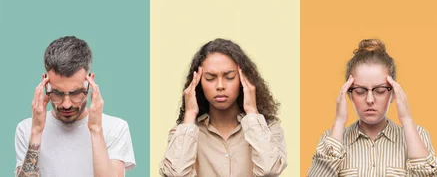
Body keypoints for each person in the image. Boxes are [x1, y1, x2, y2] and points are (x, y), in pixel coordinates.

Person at [307, 39, 437, 177]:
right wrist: (339, 121)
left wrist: (407, 120)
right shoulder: (331, 139)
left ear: (393, 93)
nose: (370, 100)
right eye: (360, 91)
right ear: (349, 93)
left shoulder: (418, 136)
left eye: (380, 90)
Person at [159, 38, 287, 176]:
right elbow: (176, 174)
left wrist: (252, 111)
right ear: (198, 83)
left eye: (230, 77)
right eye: (210, 78)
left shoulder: (268, 130)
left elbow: (270, 170)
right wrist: (190, 114)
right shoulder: (182, 133)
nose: (220, 86)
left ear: (243, 79)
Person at [14, 36, 136, 177]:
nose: (66, 104)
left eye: (76, 93)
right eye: (58, 93)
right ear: (46, 84)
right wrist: (36, 131)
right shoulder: (26, 129)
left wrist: (96, 129)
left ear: (90, 83)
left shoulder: (116, 128)